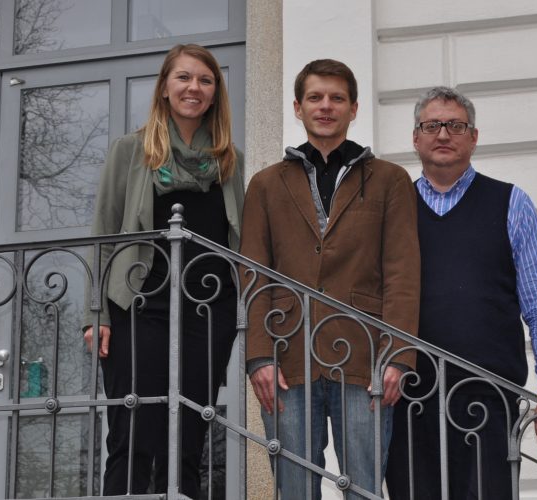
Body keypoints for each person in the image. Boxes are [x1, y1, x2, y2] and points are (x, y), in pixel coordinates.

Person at [240, 59, 420, 499]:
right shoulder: (265, 184)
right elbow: (252, 272)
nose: (326, 107)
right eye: (315, 98)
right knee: (295, 488)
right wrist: (258, 357)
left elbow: (402, 271)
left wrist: (398, 356)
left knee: (363, 487)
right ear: (298, 108)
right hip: (287, 357)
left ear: (353, 108)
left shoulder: (390, 180)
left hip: (364, 358)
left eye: (337, 98)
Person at [385, 87, 537, 500]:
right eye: (431, 125)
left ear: (473, 136)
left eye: (456, 125)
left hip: (489, 398)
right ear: (416, 138)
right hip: (408, 398)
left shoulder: (511, 203)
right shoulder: (392, 210)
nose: (444, 134)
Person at [81, 44, 244, 497]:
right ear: (165, 88)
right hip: (138, 306)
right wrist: (95, 313)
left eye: (206, 80)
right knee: (133, 436)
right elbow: (104, 233)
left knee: (189, 439)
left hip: (208, 315)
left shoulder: (230, 161)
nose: (195, 87)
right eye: (184, 78)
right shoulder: (131, 151)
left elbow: (240, 239)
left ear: (215, 93)